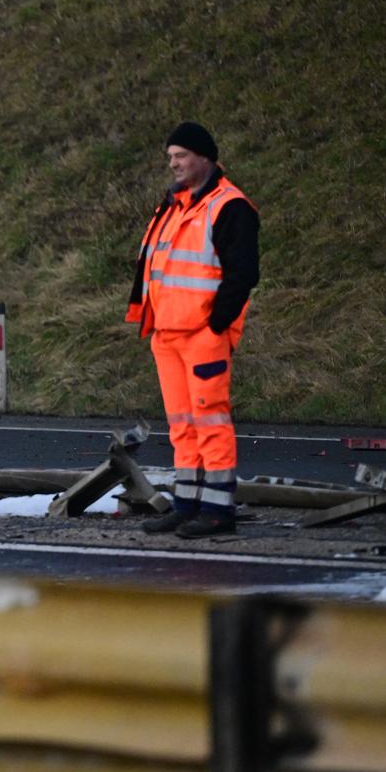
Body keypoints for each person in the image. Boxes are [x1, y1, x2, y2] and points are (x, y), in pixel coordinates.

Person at [127, 122, 260, 539]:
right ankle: (188, 505)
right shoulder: (174, 204)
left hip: (202, 334)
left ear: (204, 157)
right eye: (170, 157)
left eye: (180, 156)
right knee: (182, 425)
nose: (174, 163)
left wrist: (215, 325)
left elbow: (243, 275)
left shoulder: (229, 206)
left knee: (210, 421)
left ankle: (218, 510)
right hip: (166, 333)